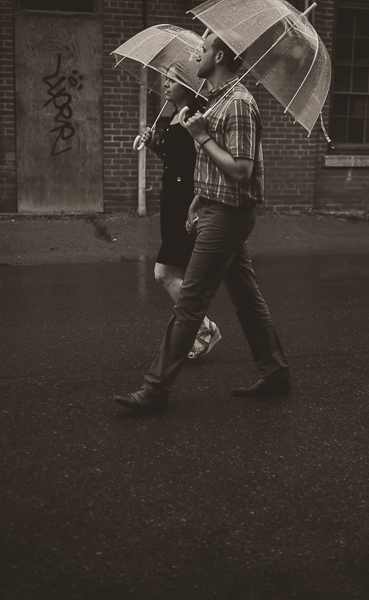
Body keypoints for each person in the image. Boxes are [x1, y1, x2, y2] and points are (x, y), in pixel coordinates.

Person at [115, 31, 290, 413]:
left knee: (190, 302)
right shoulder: (218, 99)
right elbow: (216, 166)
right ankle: (275, 373)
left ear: (221, 54)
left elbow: (242, 170)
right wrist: (198, 199)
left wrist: (201, 137)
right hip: (213, 207)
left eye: (205, 48)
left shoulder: (239, 104)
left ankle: (155, 389)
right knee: (246, 297)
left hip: (228, 216)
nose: (199, 55)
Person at [139, 73, 220, 360]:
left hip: (187, 202)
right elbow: (176, 162)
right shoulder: (173, 117)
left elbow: (206, 165)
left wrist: (196, 205)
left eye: (172, 79)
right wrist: (153, 147)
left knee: (163, 273)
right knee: (178, 272)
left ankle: (204, 327)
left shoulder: (196, 118)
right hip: (170, 201)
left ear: (186, 84)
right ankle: (196, 334)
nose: (165, 84)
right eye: (165, 79)